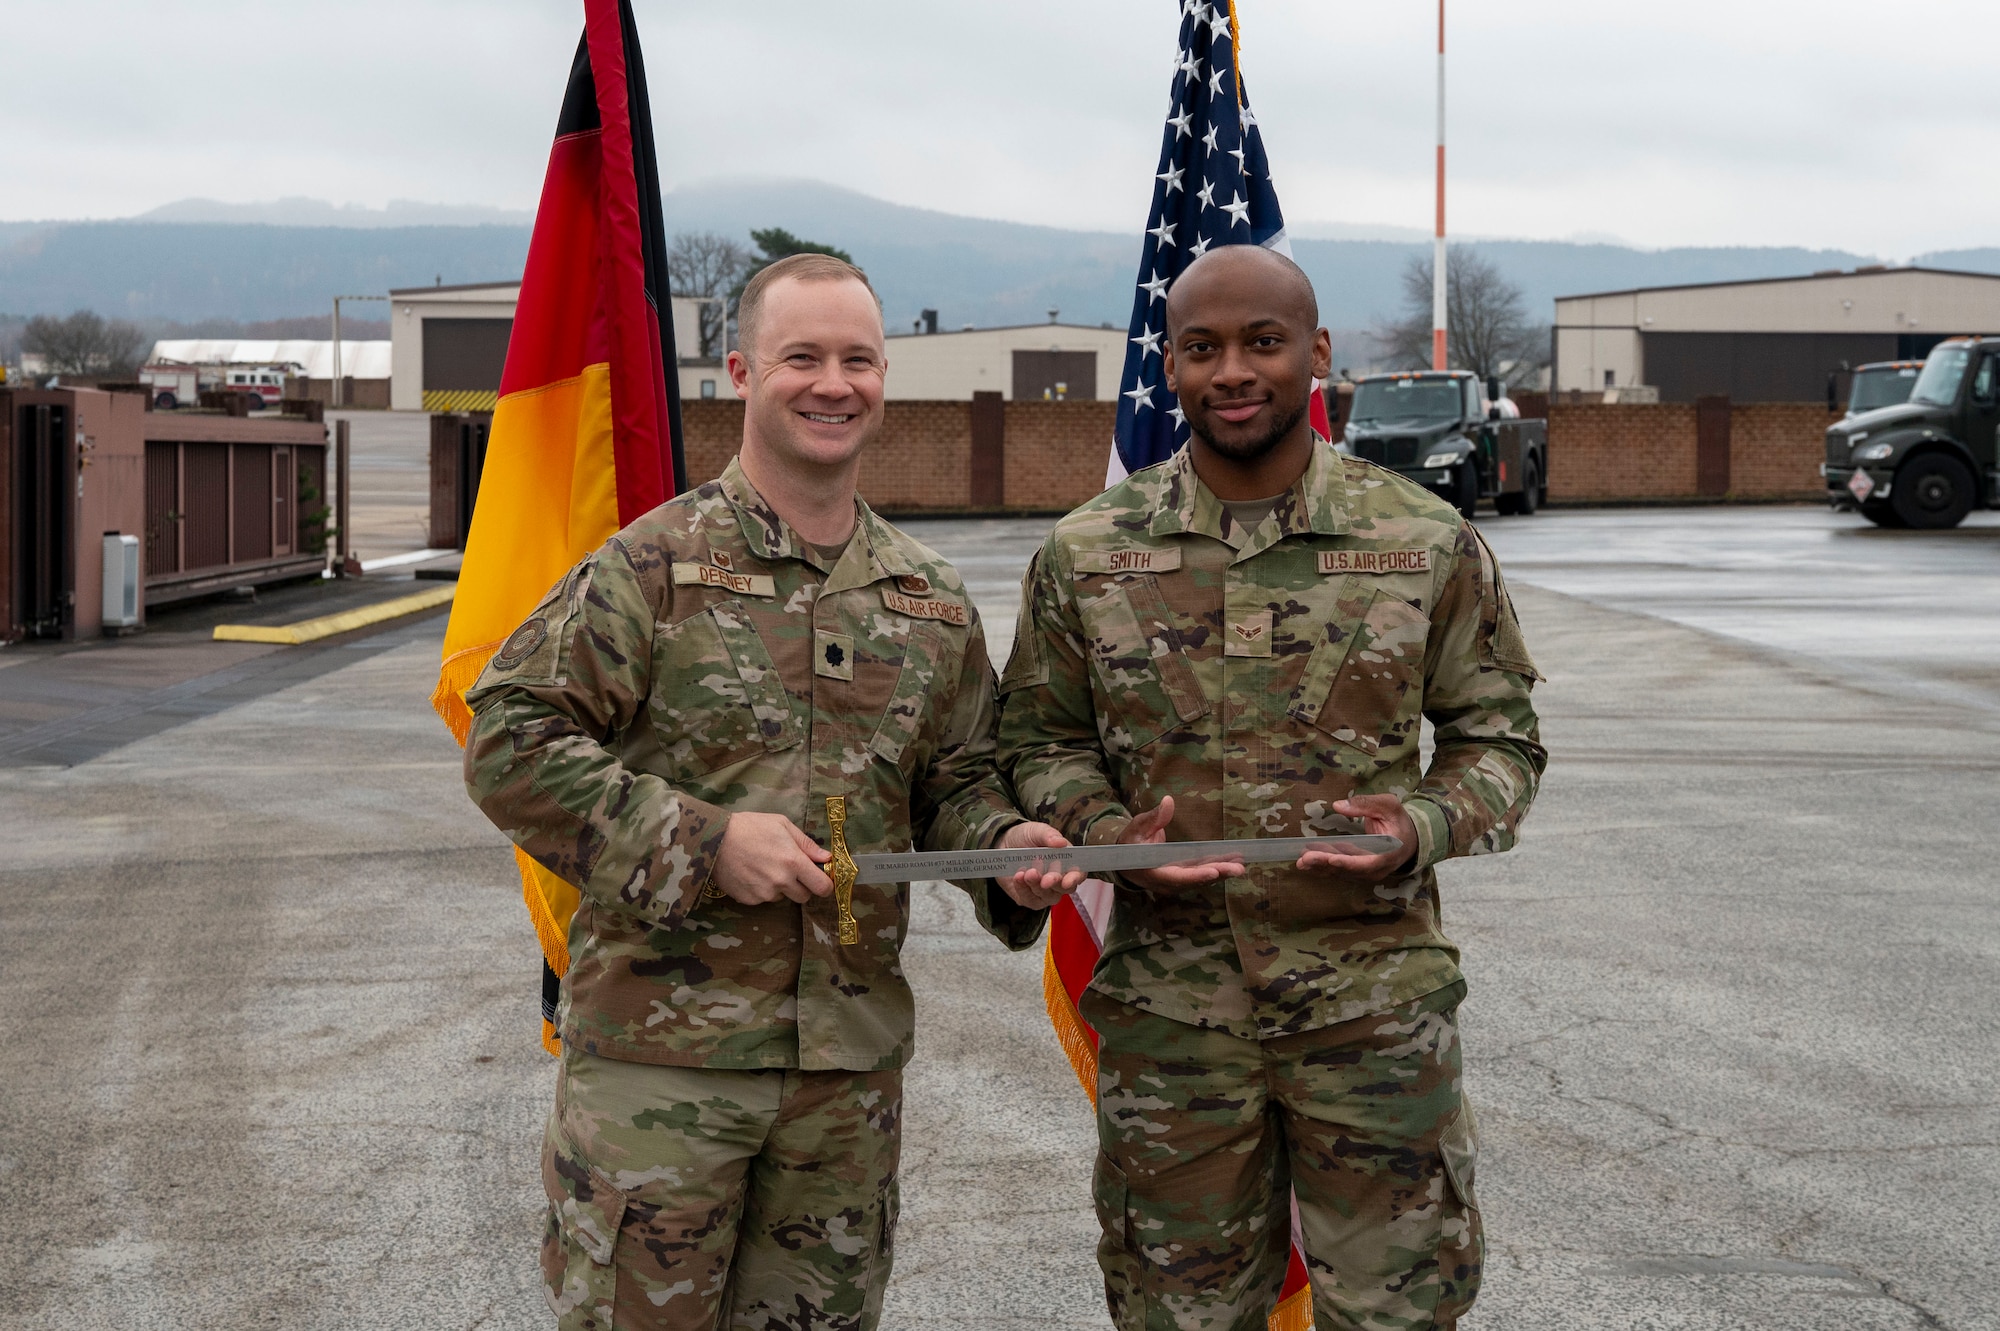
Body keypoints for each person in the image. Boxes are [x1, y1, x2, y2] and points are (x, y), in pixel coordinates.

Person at [462, 252, 1082, 1330]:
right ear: (741, 372)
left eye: (857, 358)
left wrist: (1010, 844)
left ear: (886, 377)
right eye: (802, 356)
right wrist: (701, 841)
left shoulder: (925, 599)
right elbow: (509, 738)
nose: (831, 383)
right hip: (662, 1072)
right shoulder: (651, 568)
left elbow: (955, 782)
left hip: (843, 1085)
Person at [997, 244, 1546, 1331]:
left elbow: (1501, 738)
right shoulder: (1088, 552)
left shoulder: (1420, 540)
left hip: (1371, 1014)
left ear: (1316, 354)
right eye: (1201, 347)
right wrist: (1109, 828)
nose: (1232, 370)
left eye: (1262, 341)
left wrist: (1422, 822)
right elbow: (1036, 740)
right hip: (1172, 1022)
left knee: (1399, 1309)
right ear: (1170, 366)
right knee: (1176, 1312)